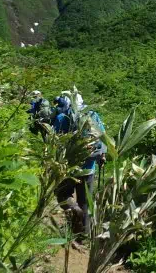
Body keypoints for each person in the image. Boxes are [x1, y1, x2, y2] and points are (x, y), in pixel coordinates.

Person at [54, 96, 107, 238]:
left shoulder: (62, 117)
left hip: (70, 166)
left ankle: (74, 209)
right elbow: (103, 136)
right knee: (85, 201)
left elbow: (56, 140)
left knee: (61, 193)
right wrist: (102, 156)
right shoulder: (93, 115)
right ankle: (84, 235)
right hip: (89, 167)